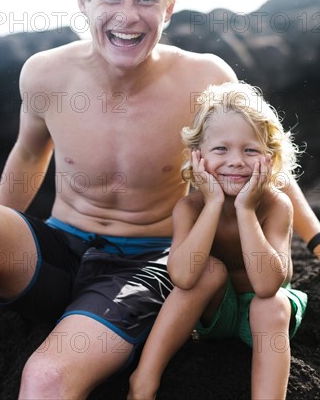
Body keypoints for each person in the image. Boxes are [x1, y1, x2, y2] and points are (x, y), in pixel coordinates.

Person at [0, 0, 320, 399]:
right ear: (83, 1)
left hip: (143, 264)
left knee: (44, 381)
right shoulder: (44, 73)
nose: (127, 16)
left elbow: (264, 160)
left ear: (169, 8)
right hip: (57, 248)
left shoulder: (204, 78)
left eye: (145, 0)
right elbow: (28, 157)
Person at [128, 81, 308, 400]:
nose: (236, 161)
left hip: (264, 318)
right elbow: (182, 277)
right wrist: (212, 204)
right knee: (207, 271)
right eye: (221, 149)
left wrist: (245, 209)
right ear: (197, 156)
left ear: (269, 157)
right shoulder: (190, 208)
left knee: (273, 304)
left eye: (250, 150)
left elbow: (268, 285)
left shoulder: (276, 205)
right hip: (217, 315)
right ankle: (143, 381)